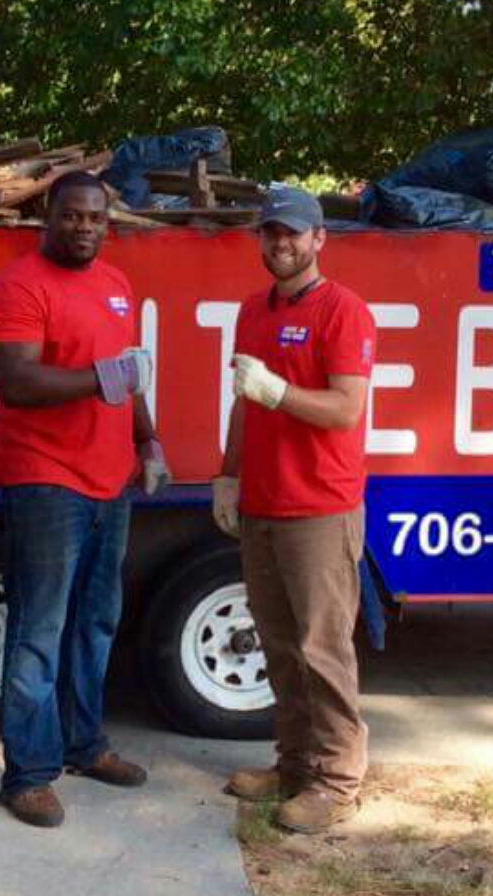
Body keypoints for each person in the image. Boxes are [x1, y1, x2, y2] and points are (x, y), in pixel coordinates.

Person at [0, 171, 170, 828]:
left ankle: (84, 746)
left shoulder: (115, 284)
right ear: (48, 215)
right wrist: (100, 377)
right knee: (38, 631)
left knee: (95, 622)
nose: (84, 227)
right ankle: (28, 775)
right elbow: (15, 380)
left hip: (111, 479)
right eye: (72, 216)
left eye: (95, 218)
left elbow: (128, 376)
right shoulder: (19, 287)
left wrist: (148, 441)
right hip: (45, 480)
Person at [213, 186, 375, 834]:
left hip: (320, 508)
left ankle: (337, 782)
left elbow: (346, 408)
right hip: (262, 502)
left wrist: (278, 391)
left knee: (322, 650)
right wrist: (228, 476)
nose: (282, 242)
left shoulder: (345, 312)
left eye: (294, 232)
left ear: (319, 239)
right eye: (271, 232)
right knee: (280, 647)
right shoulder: (252, 311)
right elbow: (243, 403)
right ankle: (294, 766)